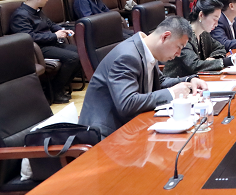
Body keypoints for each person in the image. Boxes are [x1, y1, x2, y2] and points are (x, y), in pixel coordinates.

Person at [79, 16, 208, 138]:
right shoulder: (127, 57)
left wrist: (189, 81)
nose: (179, 54)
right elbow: (127, 103)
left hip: (131, 126)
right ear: (165, 37)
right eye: (179, 47)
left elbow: (159, 81)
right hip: (106, 135)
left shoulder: (146, 49)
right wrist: (172, 93)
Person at [10, 0, 80, 104]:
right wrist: (54, 35)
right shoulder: (20, 15)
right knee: (72, 58)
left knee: (80, 53)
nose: (48, 0)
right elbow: (28, 37)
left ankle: (61, 87)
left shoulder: (38, 11)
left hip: (50, 43)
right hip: (38, 49)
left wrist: (62, 30)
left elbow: (50, 24)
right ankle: (53, 91)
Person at [164, 0, 233, 77]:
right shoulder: (183, 35)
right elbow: (194, 65)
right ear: (201, 15)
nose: (216, 24)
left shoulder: (204, 33)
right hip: (177, 81)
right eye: (214, 19)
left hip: (196, 80)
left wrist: (213, 59)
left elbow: (220, 47)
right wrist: (225, 61)